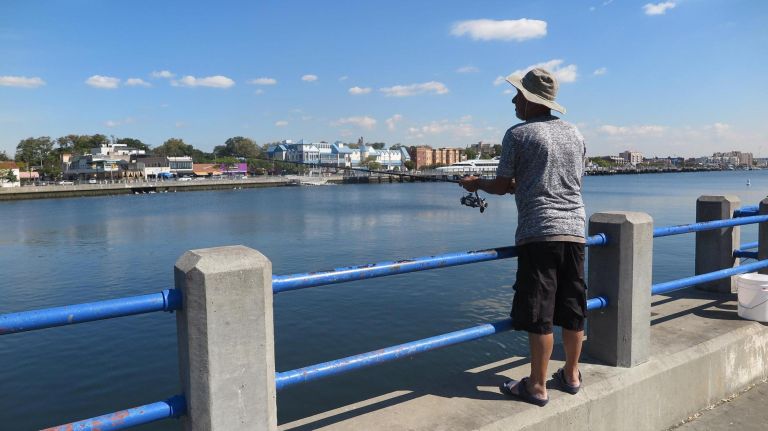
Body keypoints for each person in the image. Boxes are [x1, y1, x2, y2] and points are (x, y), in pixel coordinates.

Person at [459, 68, 586, 407]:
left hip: (538, 233)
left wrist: (476, 184)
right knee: (573, 307)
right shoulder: (574, 133)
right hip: (575, 231)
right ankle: (571, 376)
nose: (514, 100)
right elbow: (565, 182)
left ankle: (537, 386)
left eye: (518, 95)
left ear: (531, 101)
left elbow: (500, 186)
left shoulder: (517, 135)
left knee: (540, 312)